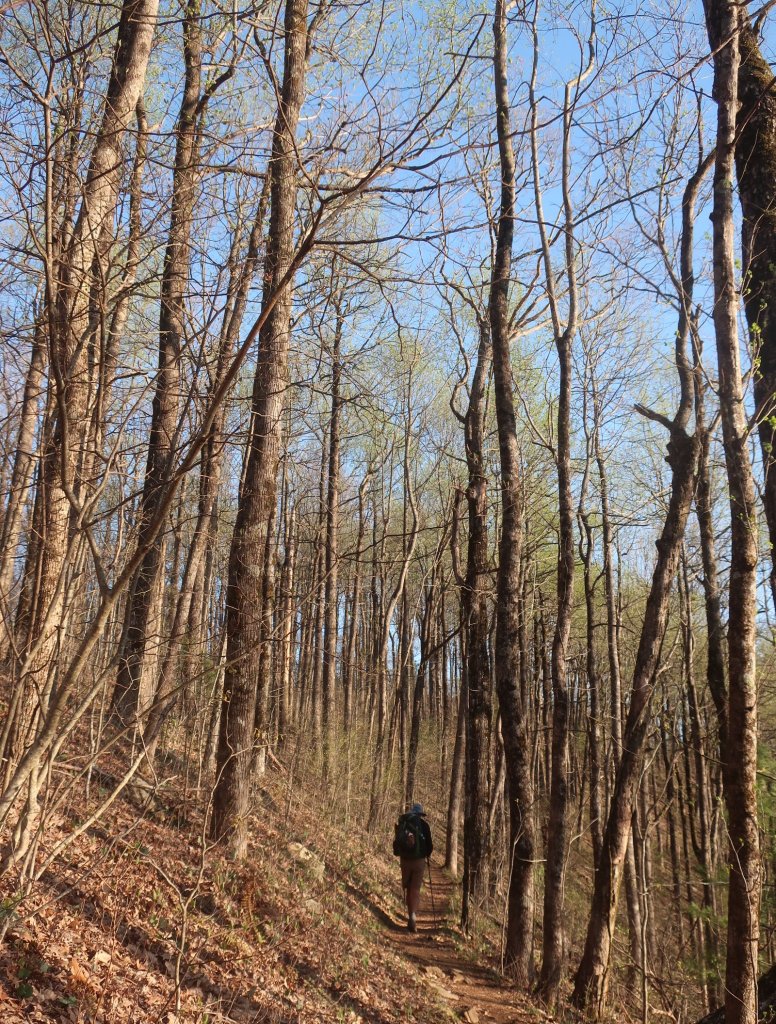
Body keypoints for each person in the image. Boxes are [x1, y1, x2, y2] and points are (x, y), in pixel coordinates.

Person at [395, 802, 433, 933]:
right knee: (415, 889)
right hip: (418, 861)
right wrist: (426, 854)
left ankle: (410, 914)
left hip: (405, 860)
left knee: (408, 887)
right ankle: (413, 917)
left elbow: (397, 842)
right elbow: (429, 846)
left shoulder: (404, 823)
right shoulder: (424, 826)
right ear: (420, 814)